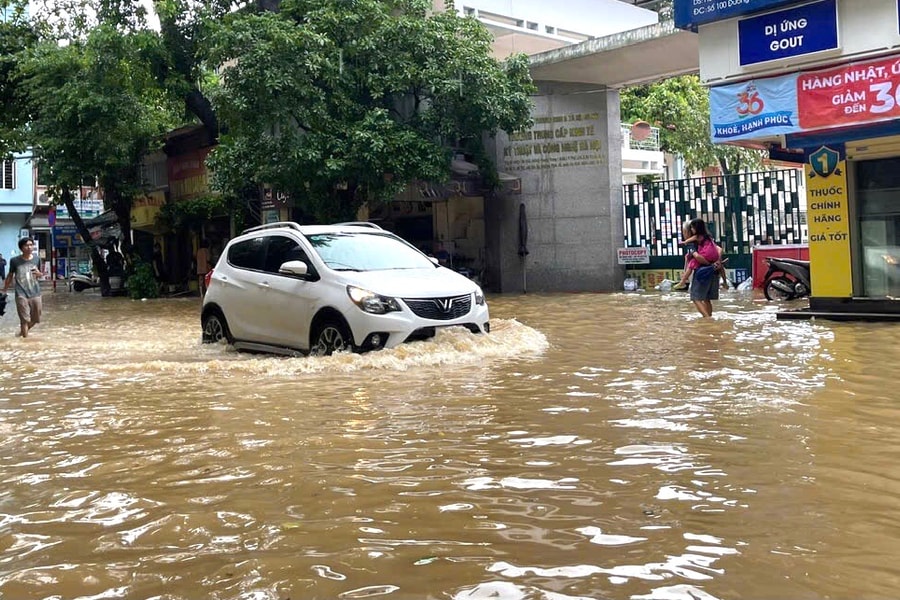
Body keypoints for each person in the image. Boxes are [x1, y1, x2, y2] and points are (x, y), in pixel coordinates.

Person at [3, 237, 43, 338]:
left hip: (35, 292)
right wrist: (5, 289)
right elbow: (10, 275)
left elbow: (40, 274)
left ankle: (22, 332)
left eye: (31, 245)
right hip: (20, 293)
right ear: (21, 248)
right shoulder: (14, 261)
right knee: (24, 319)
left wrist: (39, 274)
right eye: (26, 245)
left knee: (36, 319)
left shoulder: (37, 259)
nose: (29, 247)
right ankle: (25, 341)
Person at [684, 218, 723, 318]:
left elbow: (697, 258)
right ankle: (709, 317)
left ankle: (707, 318)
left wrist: (707, 263)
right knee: (706, 298)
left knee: (695, 298)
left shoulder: (694, 242)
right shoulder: (709, 238)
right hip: (714, 271)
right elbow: (719, 249)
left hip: (703, 272)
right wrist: (716, 261)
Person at [672, 222, 699, 291]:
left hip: (696, 270)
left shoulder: (691, 244)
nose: (683, 234)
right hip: (697, 270)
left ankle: (682, 282)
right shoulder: (699, 242)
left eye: (684, 232)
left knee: (695, 292)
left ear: (689, 233)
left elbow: (693, 256)